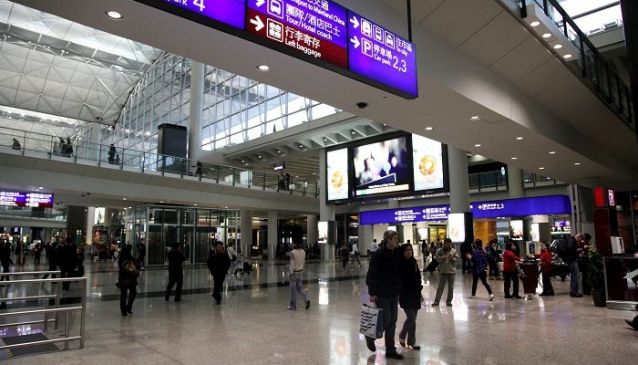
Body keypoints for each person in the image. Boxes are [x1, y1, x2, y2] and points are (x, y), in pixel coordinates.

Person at [365, 230, 404, 360]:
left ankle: (390, 350)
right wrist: (372, 292)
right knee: (387, 320)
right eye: (395, 239)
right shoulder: (378, 254)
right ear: (388, 240)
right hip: (382, 293)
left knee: (393, 321)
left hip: (394, 292)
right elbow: (372, 274)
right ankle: (371, 336)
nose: (397, 241)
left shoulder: (397, 253)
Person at [398, 243, 422, 350]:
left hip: (415, 294)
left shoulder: (414, 262)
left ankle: (411, 342)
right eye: (407, 250)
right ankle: (402, 335)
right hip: (405, 295)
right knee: (411, 317)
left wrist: (420, 290)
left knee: (413, 319)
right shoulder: (400, 264)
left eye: (410, 250)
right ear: (402, 252)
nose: (409, 252)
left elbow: (418, 277)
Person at [432, 238, 457, 307]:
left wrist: (453, 258)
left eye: (449, 244)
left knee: (451, 288)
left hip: (452, 272)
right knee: (440, 287)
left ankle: (449, 301)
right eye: (447, 244)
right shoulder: (439, 250)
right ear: (444, 244)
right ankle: (436, 301)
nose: (448, 245)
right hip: (443, 271)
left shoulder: (453, 251)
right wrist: (445, 257)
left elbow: (456, 259)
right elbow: (437, 258)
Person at [117, 245, 139, 316]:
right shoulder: (130, 259)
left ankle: (123, 310)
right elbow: (137, 266)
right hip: (131, 280)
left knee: (123, 295)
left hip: (123, 280)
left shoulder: (121, 260)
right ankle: (129, 307)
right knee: (133, 293)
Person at [288, 241, 310, 310]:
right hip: (300, 272)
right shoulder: (303, 252)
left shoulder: (292, 252)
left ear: (295, 244)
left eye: (293, 243)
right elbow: (304, 262)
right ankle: (306, 300)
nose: (291, 244)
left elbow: (292, 264)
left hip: (294, 273)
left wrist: (291, 273)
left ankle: (293, 306)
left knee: (293, 290)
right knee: (300, 288)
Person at [0, 239, 12, 309]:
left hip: (5, 261)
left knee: (6, 271)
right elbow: (6, 256)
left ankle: (5, 281)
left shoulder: (5, 248)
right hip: (5, 262)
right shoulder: (6, 249)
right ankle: (4, 281)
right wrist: (10, 261)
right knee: (6, 270)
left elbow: (7, 256)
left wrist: (11, 261)